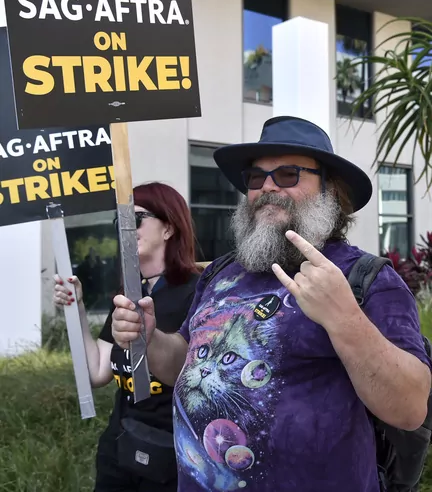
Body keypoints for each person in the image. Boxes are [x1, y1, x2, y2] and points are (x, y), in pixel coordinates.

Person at [111, 116, 432, 492]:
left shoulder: (367, 278)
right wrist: (150, 339)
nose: (266, 187)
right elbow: (183, 363)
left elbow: (410, 408)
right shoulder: (220, 273)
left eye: (287, 174)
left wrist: (344, 319)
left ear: (330, 190)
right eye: (255, 178)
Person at [53, 182, 201, 492]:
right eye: (119, 222)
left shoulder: (199, 292)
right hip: (119, 448)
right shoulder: (128, 295)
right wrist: (77, 307)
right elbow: (97, 372)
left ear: (169, 228)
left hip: (173, 457)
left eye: (136, 219)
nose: (125, 229)